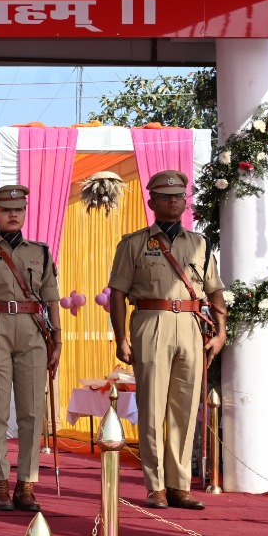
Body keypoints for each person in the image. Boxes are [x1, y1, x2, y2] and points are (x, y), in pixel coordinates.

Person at [107, 170, 226, 510]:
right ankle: (155, 484)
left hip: (190, 324)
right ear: (152, 202)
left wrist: (221, 332)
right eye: (166, 196)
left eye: (179, 196)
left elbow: (215, 290)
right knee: (153, 407)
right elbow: (117, 294)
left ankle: (179, 485)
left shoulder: (200, 243)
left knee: (185, 408)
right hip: (151, 321)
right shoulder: (134, 243)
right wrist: (121, 338)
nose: (174, 201)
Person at [0, 186, 62, 511]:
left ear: (24, 212)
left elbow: (51, 299)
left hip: (33, 331)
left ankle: (27, 484)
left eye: (18, 209)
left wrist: (58, 340)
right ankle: (1, 484)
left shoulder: (41, 253)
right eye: (5, 209)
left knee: (33, 411)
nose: (12, 214)